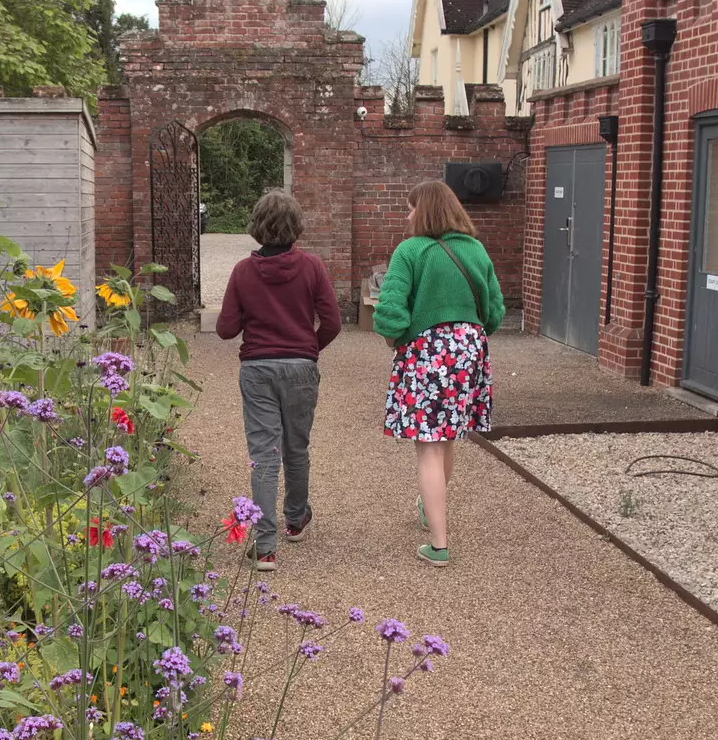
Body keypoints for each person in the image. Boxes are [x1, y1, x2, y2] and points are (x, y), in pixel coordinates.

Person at [372, 179, 504, 566]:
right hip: (469, 349)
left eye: (412, 207)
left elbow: (390, 309)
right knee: (447, 437)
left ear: (426, 210)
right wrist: (470, 336)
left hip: (427, 351)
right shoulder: (476, 250)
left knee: (428, 446)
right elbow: (494, 310)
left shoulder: (410, 250)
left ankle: (439, 545)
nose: (408, 214)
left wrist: (396, 339)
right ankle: (430, 506)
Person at [216, 190, 341, 571]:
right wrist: (308, 348)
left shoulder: (242, 271)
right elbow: (333, 322)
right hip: (301, 367)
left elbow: (225, 329)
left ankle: (265, 546)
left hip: (257, 369)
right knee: (296, 447)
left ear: (256, 227)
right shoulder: (312, 267)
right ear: (297, 227)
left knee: (264, 455)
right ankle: (296, 518)